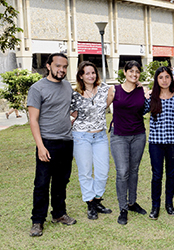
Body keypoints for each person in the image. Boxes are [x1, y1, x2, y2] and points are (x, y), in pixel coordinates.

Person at [27, 53, 76, 237]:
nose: (61, 70)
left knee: (61, 181)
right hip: (47, 142)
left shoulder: (67, 86)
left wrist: (72, 119)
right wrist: (40, 146)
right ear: (48, 66)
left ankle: (59, 214)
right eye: (58, 66)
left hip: (66, 141)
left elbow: (69, 110)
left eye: (64, 66)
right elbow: (33, 120)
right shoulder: (37, 88)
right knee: (41, 183)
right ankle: (37, 221)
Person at [70, 61, 113, 221]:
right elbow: (72, 115)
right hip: (81, 137)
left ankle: (97, 199)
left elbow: (110, 100)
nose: (91, 76)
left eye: (93, 72)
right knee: (85, 172)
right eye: (87, 73)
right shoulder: (74, 94)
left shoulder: (104, 89)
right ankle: (90, 204)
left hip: (100, 136)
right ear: (81, 76)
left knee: (103, 172)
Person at [109, 60, 148, 225]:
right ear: (124, 72)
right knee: (122, 171)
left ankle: (132, 202)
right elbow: (100, 108)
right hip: (119, 136)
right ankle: (123, 208)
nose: (134, 74)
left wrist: (147, 94)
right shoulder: (114, 90)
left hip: (138, 135)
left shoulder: (141, 91)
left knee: (133, 170)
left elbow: (149, 107)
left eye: (137, 71)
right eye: (131, 71)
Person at [145, 66, 174, 220]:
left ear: (171, 78)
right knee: (157, 174)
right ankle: (155, 206)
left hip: (173, 142)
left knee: (171, 174)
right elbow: (138, 111)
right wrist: (143, 94)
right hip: (156, 143)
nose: (164, 80)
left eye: (167, 77)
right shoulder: (152, 98)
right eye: (161, 77)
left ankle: (169, 204)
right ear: (156, 80)